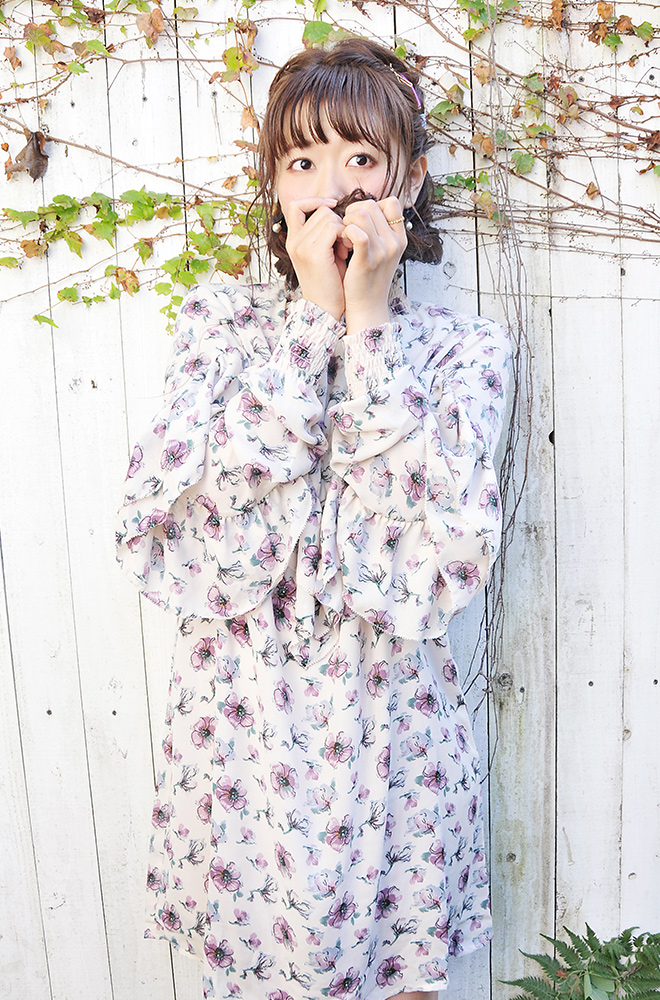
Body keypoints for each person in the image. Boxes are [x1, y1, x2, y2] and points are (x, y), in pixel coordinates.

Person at [116, 37, 511, 1000]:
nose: (330, 191)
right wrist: (310, 321)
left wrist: (367, 328)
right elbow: (185, 532)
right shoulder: (219, 326)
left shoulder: (464, 351)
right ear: (274, 186)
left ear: (410, 179)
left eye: (360, 158)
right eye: (301, 161)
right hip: (240, 725)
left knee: (405, 972)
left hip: (392, 731)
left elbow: (436, 560)